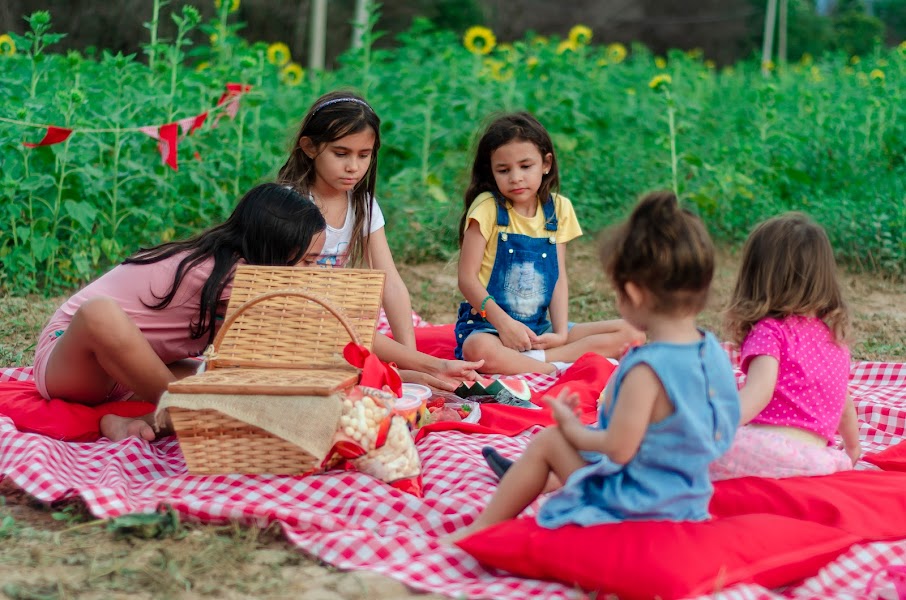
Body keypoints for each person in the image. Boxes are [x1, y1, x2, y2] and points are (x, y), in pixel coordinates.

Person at [445, 192, 740, 542]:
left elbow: (618, 448)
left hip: (637, 506)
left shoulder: (646, 370)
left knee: (549, 443)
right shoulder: (714, 352)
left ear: (634, 293)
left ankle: (479, 531)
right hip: (687, 499)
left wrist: (572, 429)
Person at [32, 184, 329, 442]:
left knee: (234, 384)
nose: (313, 273)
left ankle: (138, 424)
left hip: (127, 375)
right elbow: (321, 324)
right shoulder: (225, 273)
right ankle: (185, 411)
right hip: (71, 360)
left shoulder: (246, 277)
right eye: (307, 262)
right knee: (99, 313)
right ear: (273, 251)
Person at [278, 91, 483, 389]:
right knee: (354, 342)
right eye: (341, 153)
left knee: (361, 342)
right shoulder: (290, 202)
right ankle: (426, 369)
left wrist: (407, 352)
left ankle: (408, 372)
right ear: (309, 147)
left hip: (339, 320)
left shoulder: (363, 204)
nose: (353, 167)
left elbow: (390, 281)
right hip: (294, 319)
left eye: (364, 155)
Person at [454, 112, 643, 376]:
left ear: (546, 164)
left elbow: (558, 277)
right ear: (491, 171)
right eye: (504, 170)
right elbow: (466, 279)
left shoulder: (559, 209)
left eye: (525, 166)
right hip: (489, 326)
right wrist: (504, 324)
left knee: (633, 332)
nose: (516, 177)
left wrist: (561, 331)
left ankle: (536, 361)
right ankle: (555, 366)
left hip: (539, 329)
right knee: (477, 350)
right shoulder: (486, 208)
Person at [709, 213, 860, 480]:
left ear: (758, 278)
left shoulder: (771, 331)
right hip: (820, 462)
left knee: (683, 447)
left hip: (768, 450)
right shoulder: (835, 338)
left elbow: (758, 394)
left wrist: (713, 425)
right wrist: (852, 448)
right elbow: (845, 406)